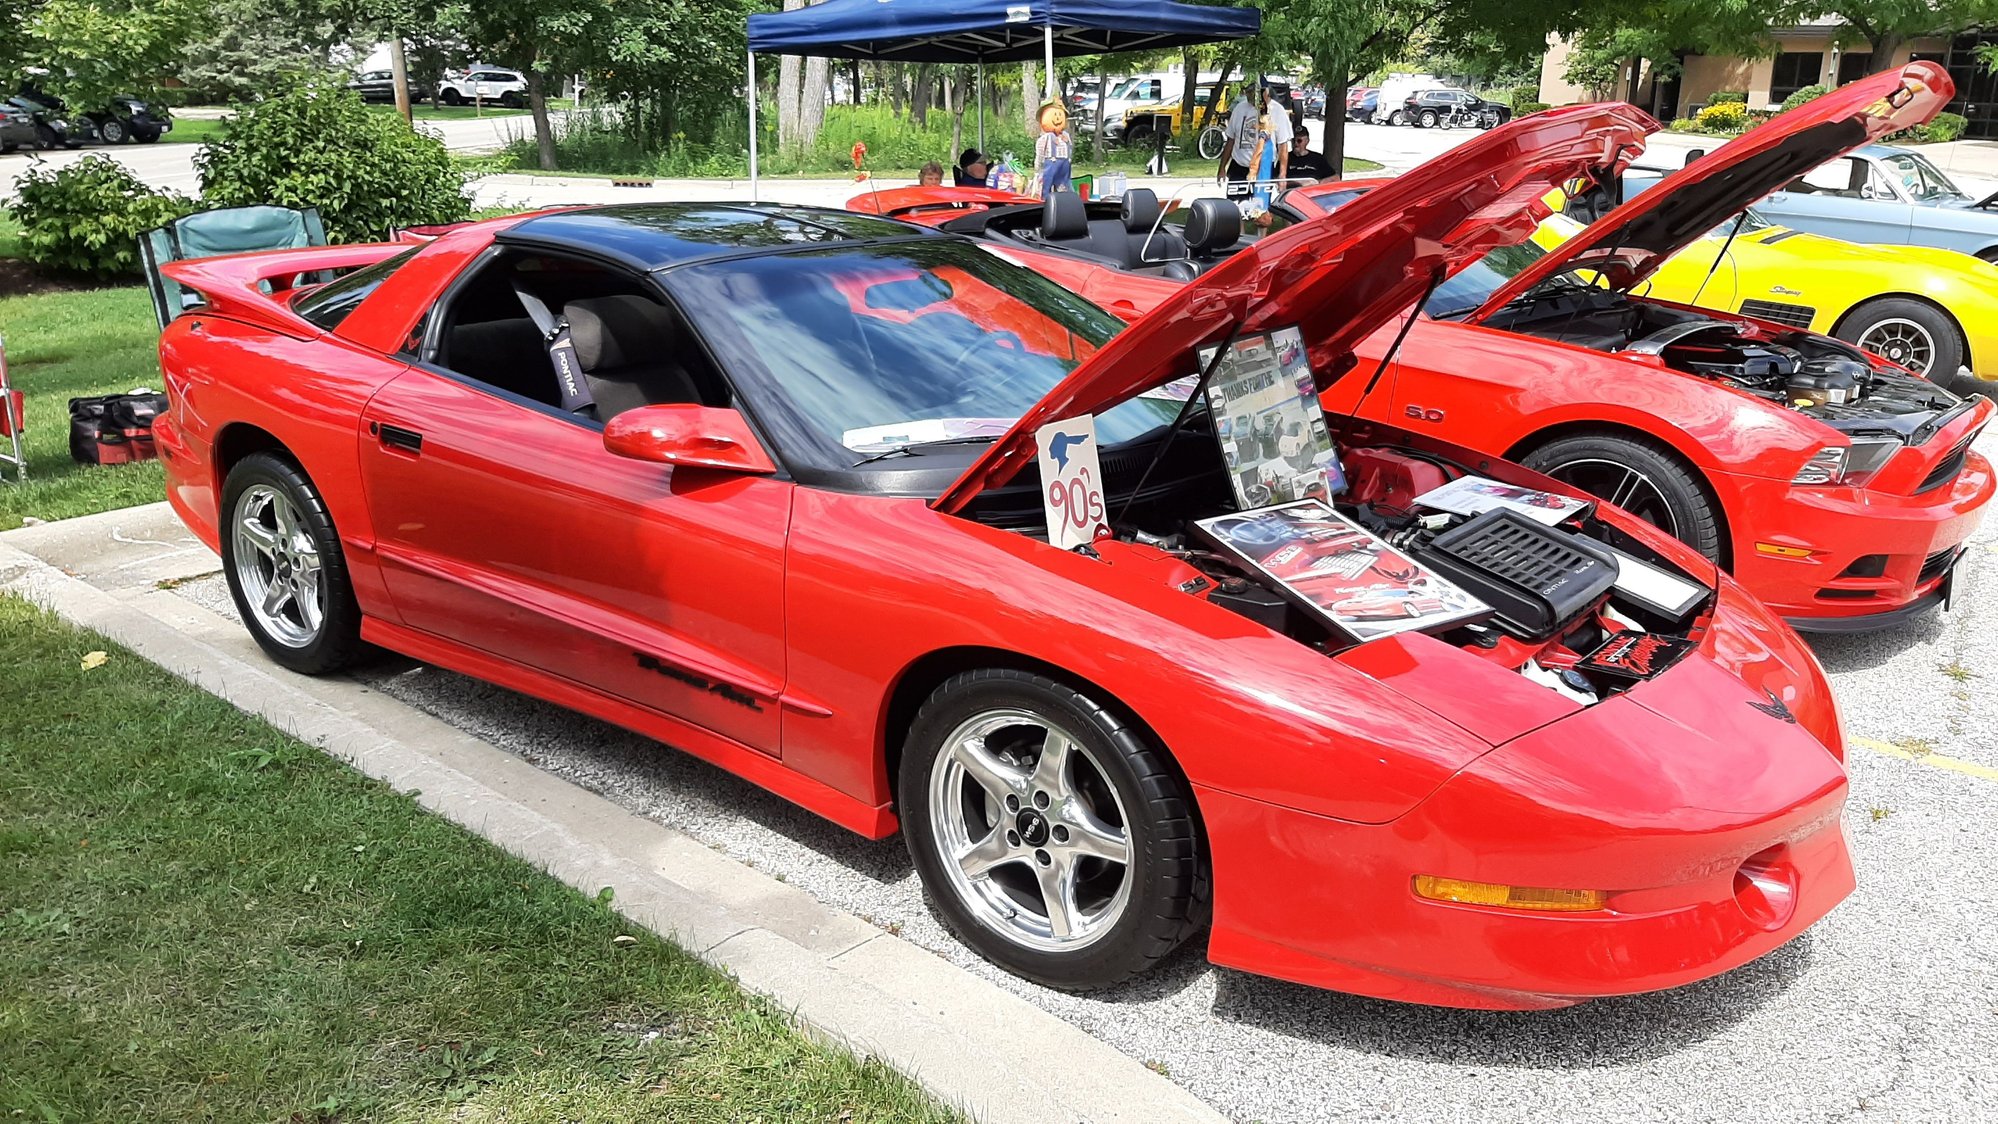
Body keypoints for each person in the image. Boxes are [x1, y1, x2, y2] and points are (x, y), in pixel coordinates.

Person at [1219, 81, 1290, 197]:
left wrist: (1282, 175)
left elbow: (1283, 145)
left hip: (1264, 168)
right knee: (1235, 206)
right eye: (1247, 93)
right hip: (1239, 166)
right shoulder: (1239, 108)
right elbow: (1230, 140)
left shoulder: (1277, 111)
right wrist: (1222, 167)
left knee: (1259, 207)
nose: (1248, 96)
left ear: (1263, 94)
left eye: (1251, 94)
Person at [1035, 102, 1074, 197]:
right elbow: (1039, 154)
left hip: (1064, 167)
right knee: (1046, 186)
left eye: (1060, 114)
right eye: (1054, 115)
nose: (1057, 118)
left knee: (1064, 187)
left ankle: (1064, 201)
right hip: (1050, 165)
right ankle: (1045, 201)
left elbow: (1070, 150)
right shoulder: (1045, 138)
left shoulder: (1066, 136)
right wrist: (1037, 169)